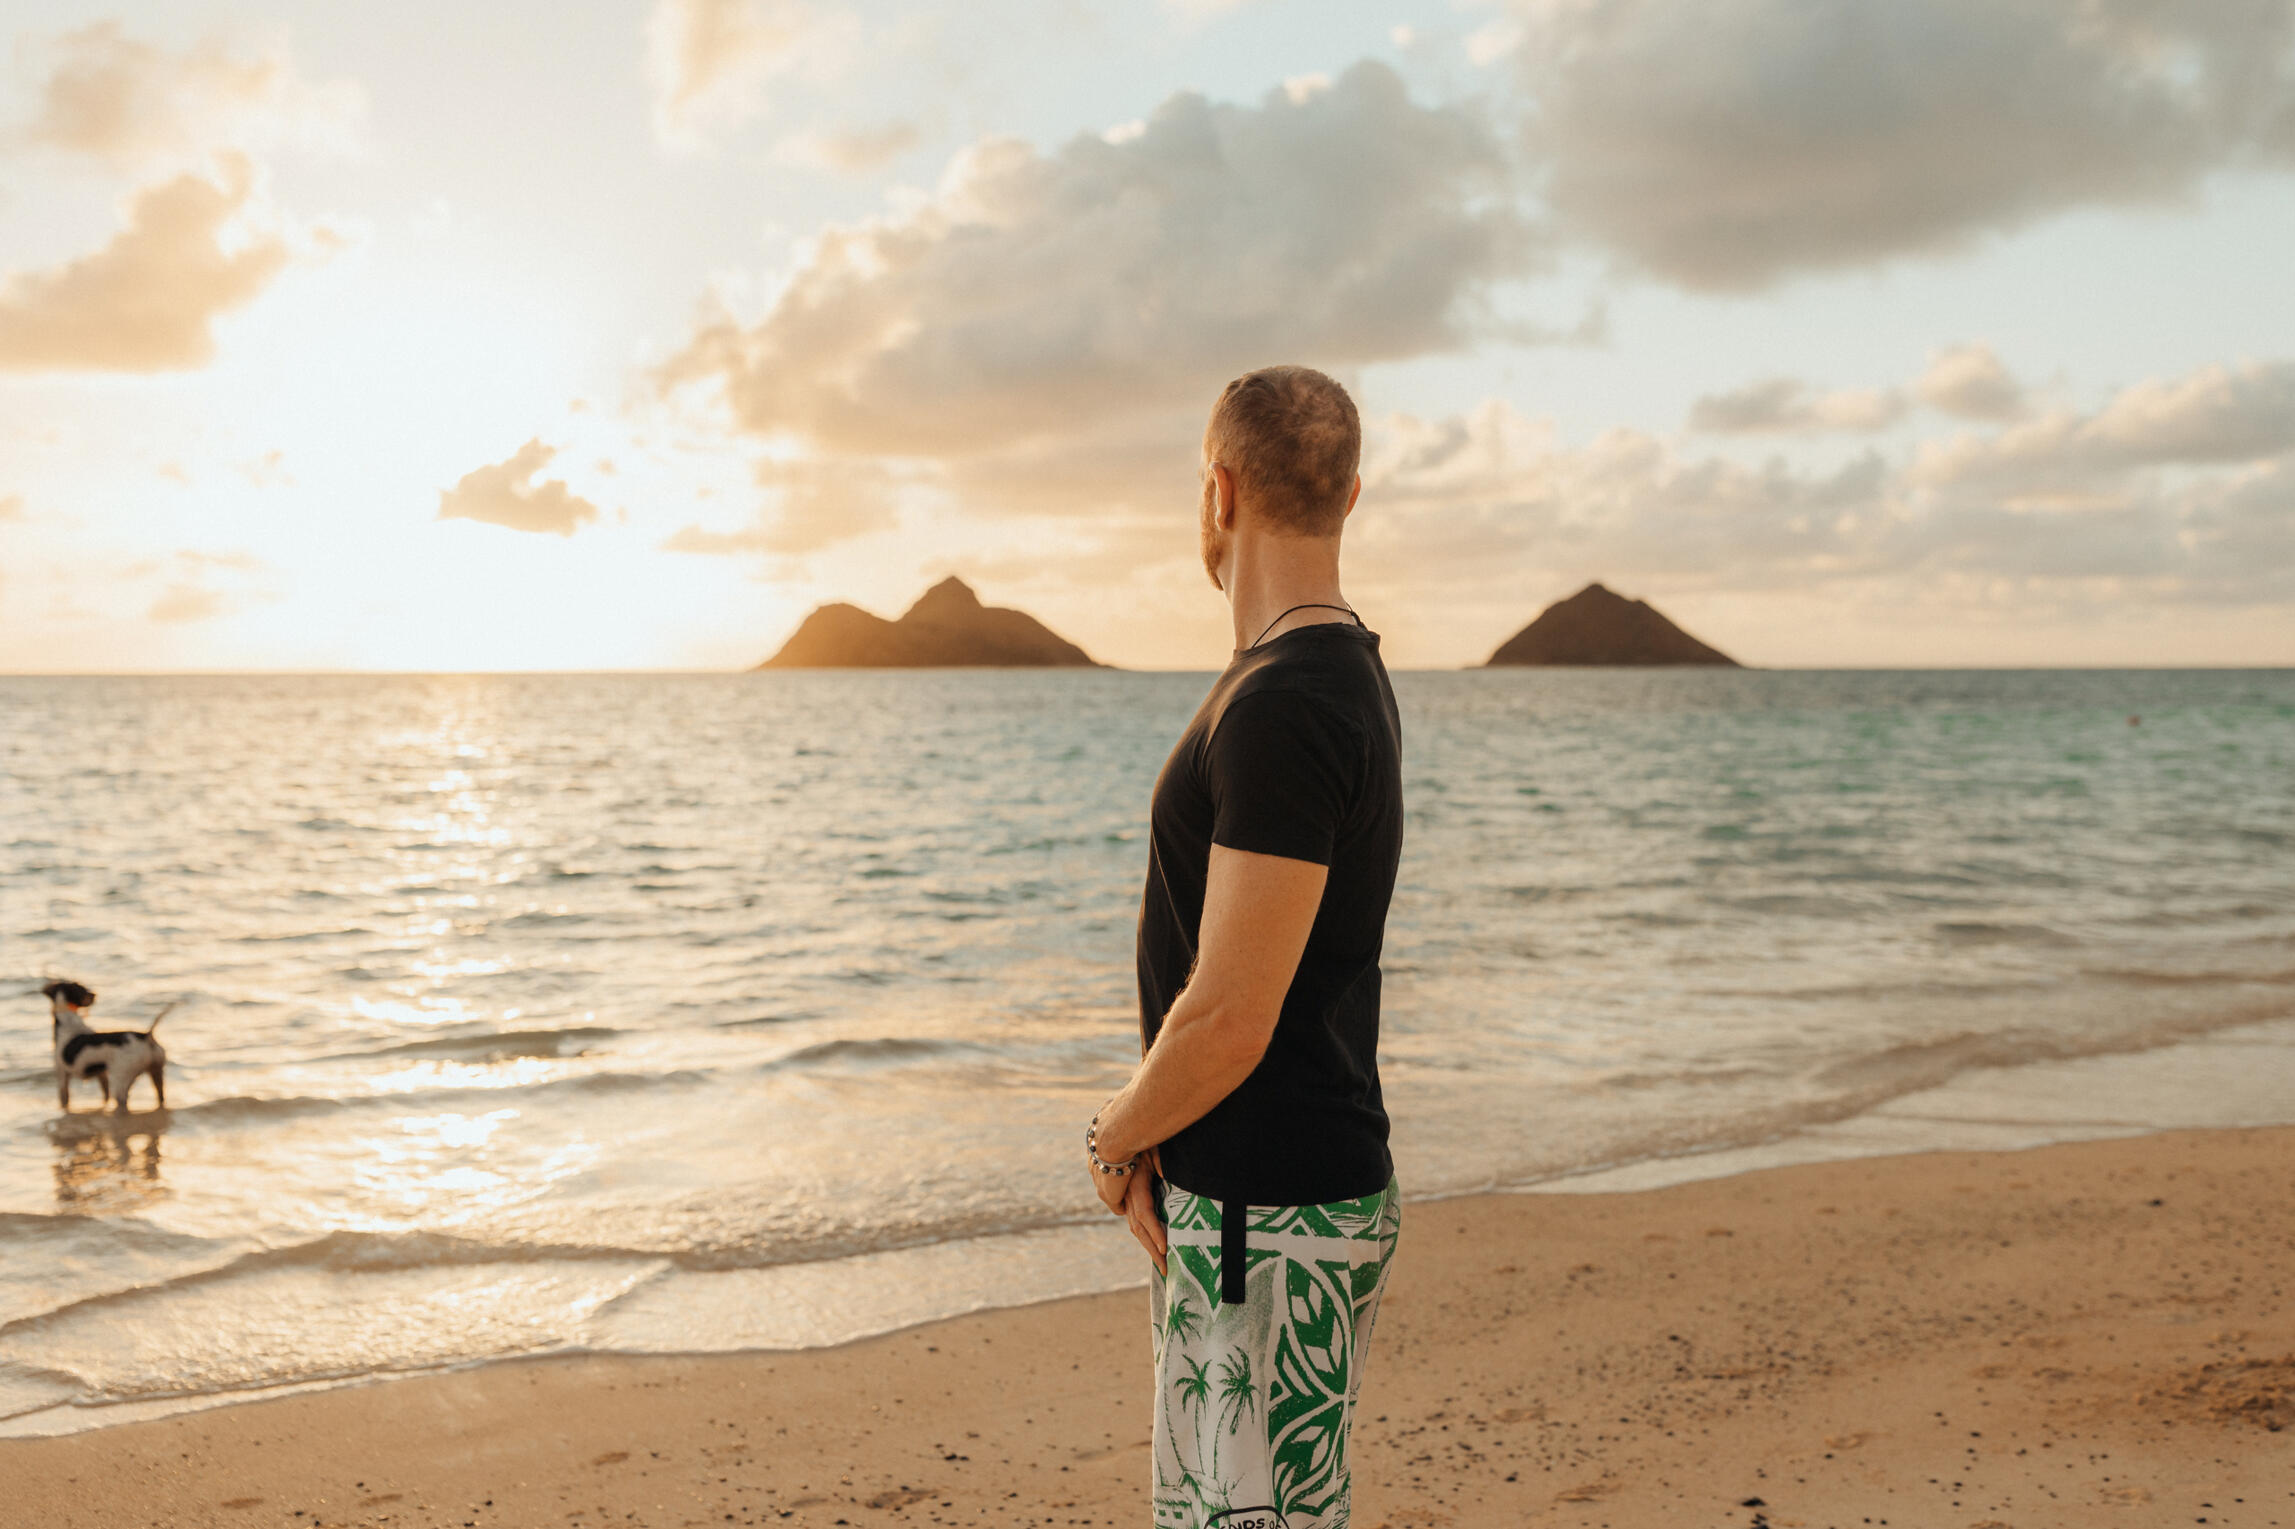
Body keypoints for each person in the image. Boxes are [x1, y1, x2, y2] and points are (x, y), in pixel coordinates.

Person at [1085, 365, 1405, 1529]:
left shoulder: (1285, 702)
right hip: (1276, 1204)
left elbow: (1228, 1012)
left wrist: (1111, 1137)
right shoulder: (1335, 671)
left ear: (1218, 492)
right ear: (1350, 496)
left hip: (1266, 1214)